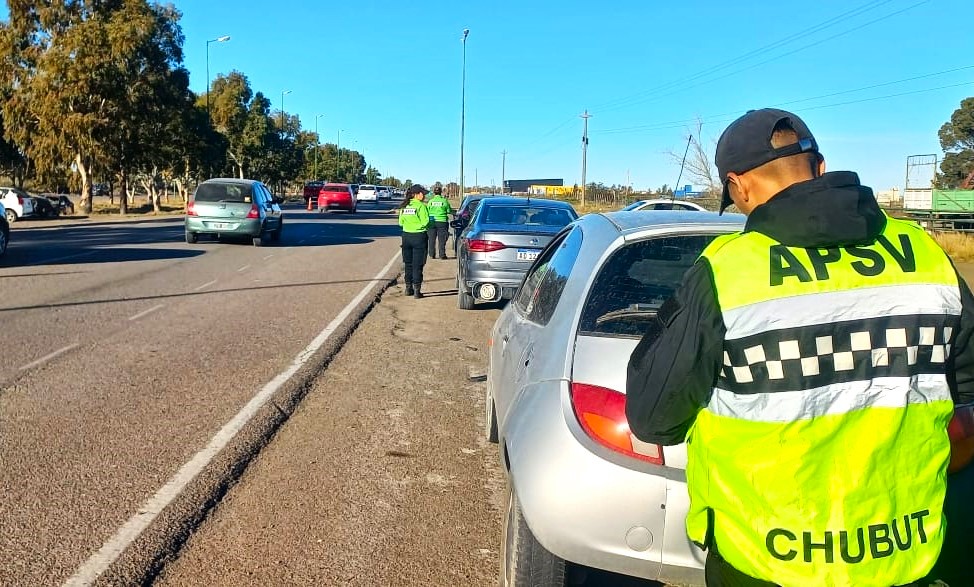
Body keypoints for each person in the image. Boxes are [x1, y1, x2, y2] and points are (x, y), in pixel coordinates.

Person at [624, 108, 974, 586]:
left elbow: (654, 418)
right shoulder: (927, 256)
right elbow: (968, 396)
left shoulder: (727, 273)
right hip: (907, 556)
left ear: (737, 187)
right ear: (821, 167)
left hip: (765, 559)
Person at [398, 184, 430, 299]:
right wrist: (418, 226)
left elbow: (400, 223)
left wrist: (410, 225)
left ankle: (408, 288)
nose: (424, 196)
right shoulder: (421, 206)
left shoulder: (404, 206)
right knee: (418, 264)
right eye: (422, 194)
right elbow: (426, 222)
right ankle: (417, 290)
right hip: (418, 237)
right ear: (417, 194)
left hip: (406, 236)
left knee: (408, 264)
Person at [426, 186, 453, 259]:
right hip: (442, 221)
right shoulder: (444, 201)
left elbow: (427, 211)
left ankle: (432, 254)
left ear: (434, 193)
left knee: (431, 239)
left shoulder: (430, 201)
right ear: (441, 192)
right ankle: (442, 255)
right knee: (442, 239)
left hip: (431, 221)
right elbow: (448, 211)